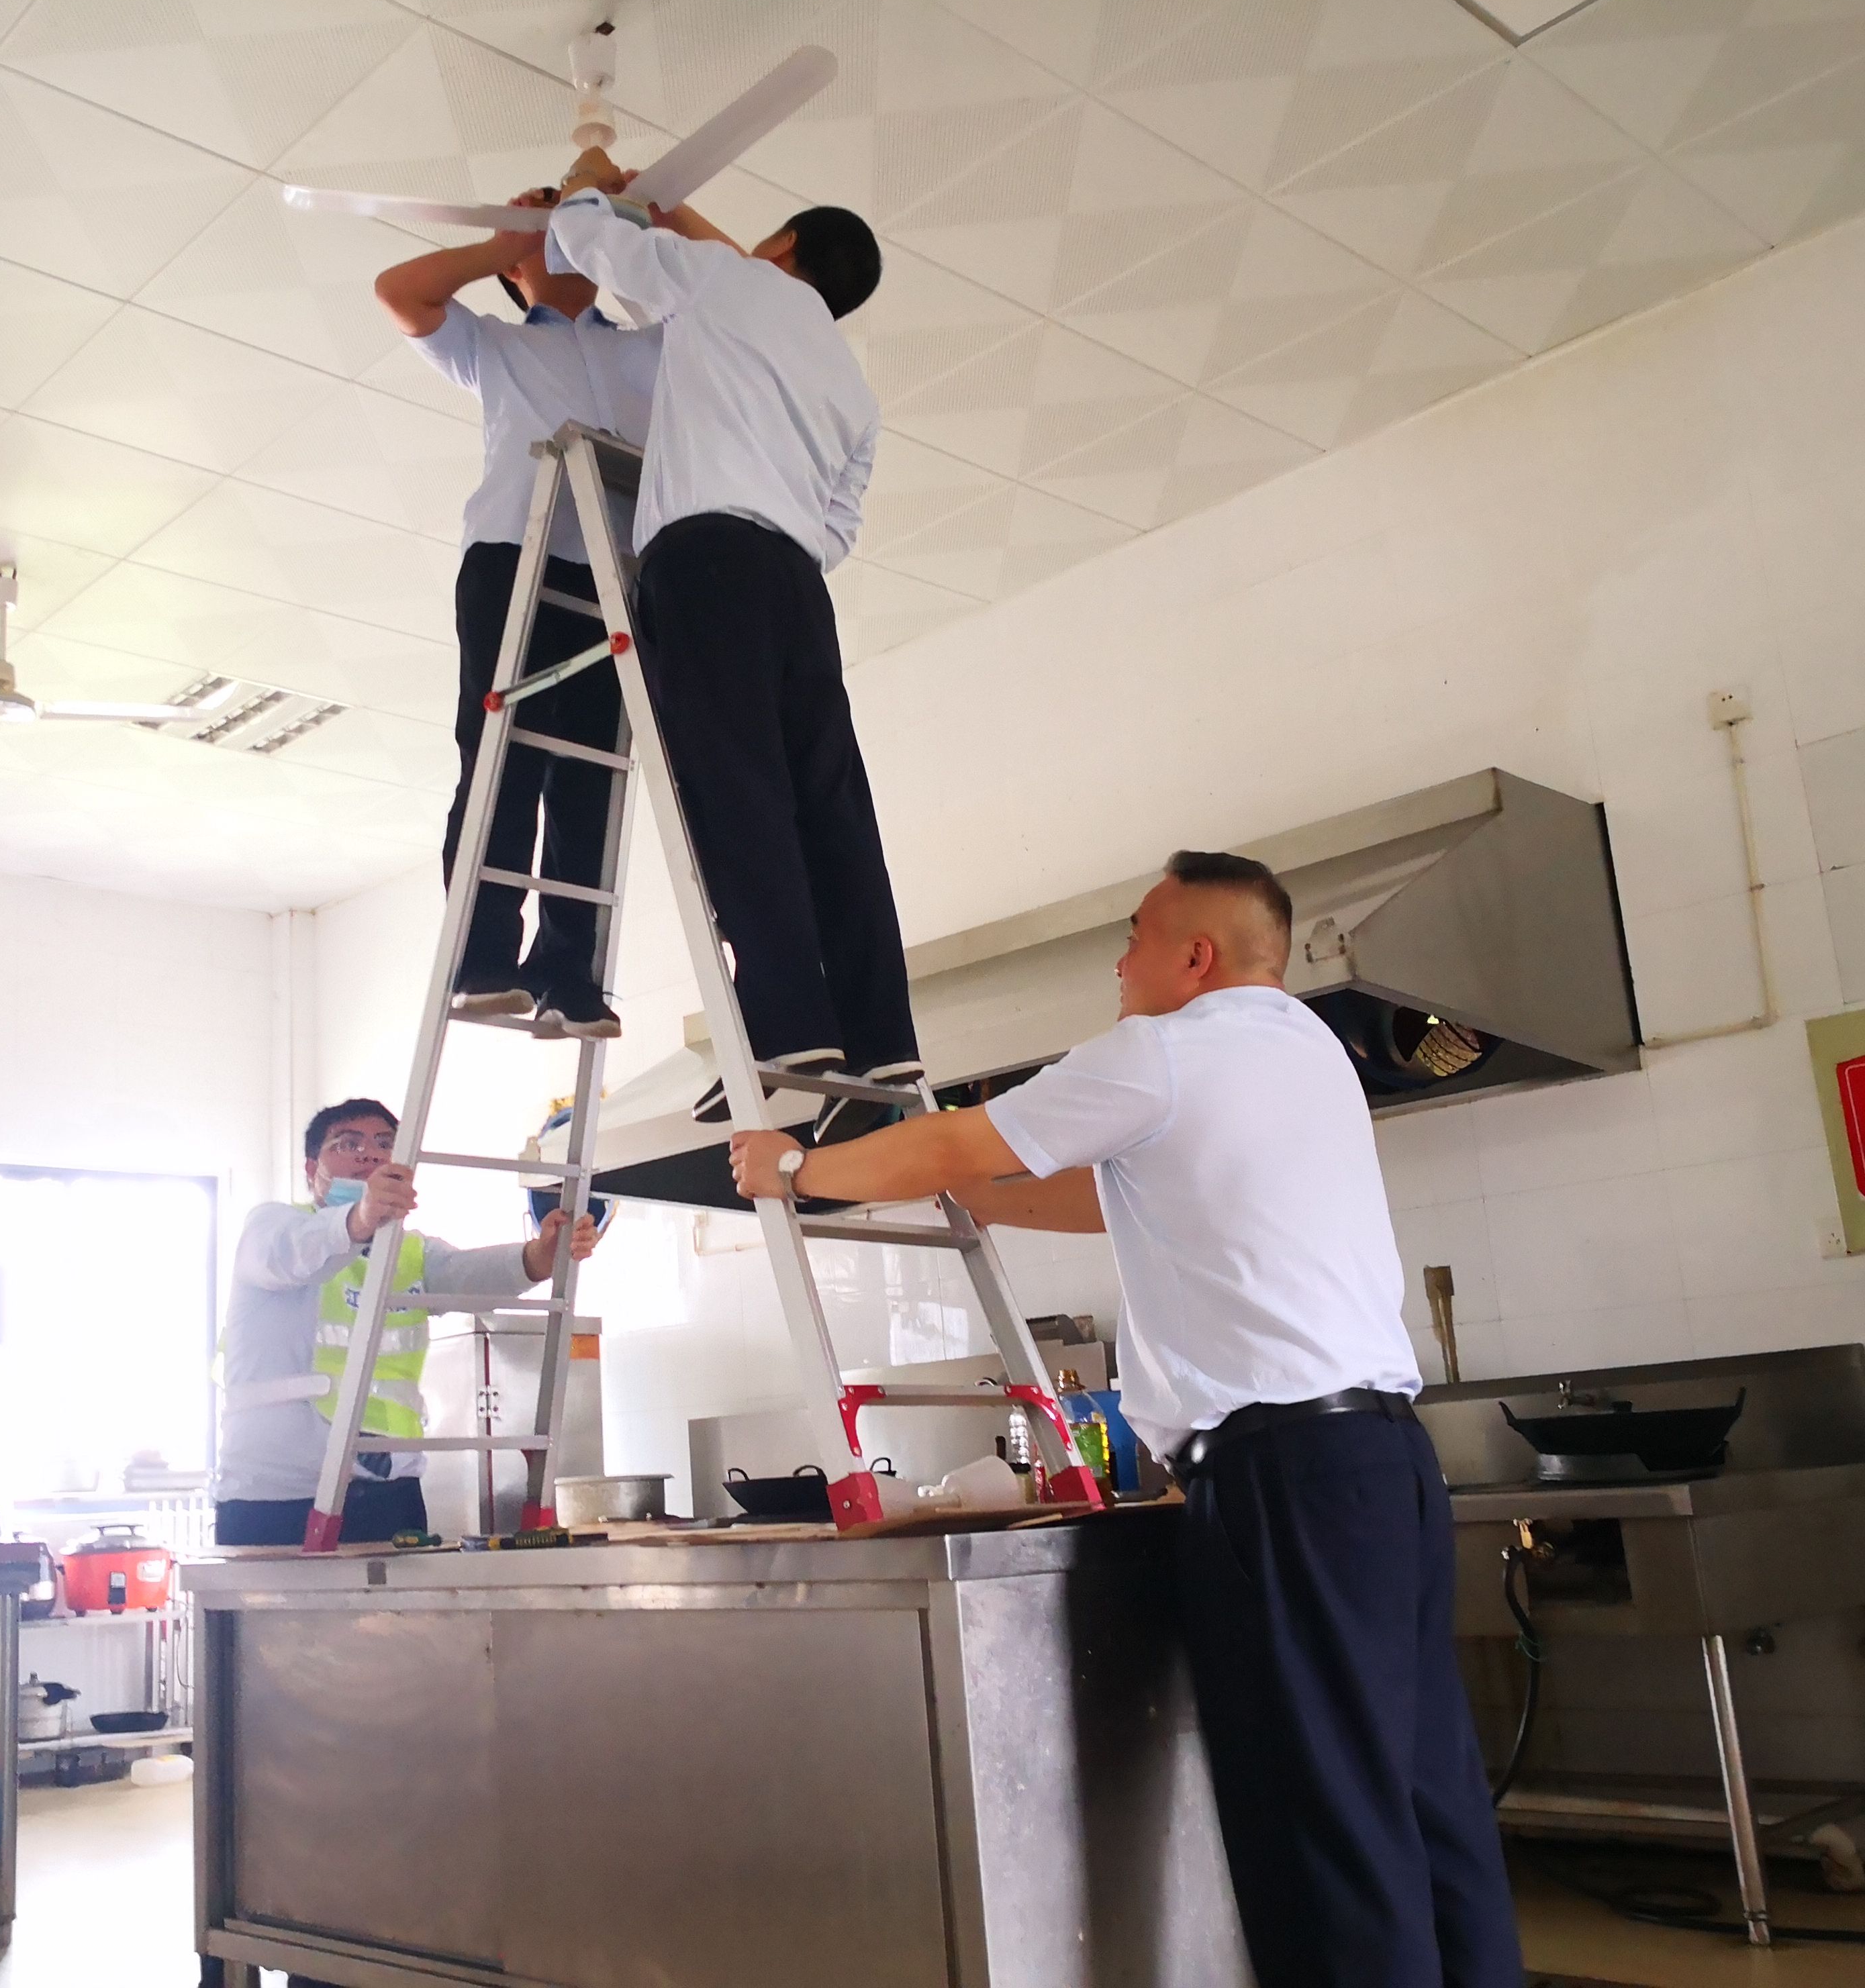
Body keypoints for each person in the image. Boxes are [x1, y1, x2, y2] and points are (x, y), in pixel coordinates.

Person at [727, 852, 1523, 1988]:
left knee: (1326, 1823)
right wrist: (966, 1192)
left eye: (1135, 936)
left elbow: (957, 1139)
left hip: (1284, 1477)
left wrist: (796, 1167)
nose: (1119, 962)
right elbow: (1108, 1194)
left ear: (1193, 955)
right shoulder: (1302, 1051)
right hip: (1382, 1463)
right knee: (1421, 1791)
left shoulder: (1165, 1051)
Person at [541, 150, 915, 1130]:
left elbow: (583, 240)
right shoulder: (852, 388)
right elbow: (837, 531)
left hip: (708, 564)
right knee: (830, 808)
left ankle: (789, 1024)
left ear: (780, 245)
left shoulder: (726, 282)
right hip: (797, 587)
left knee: (737, 793)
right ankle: (881, 1034)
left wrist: (587, 178)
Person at [376, 189, 661, 1040]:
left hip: (612, 572)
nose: (561, 241)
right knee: (502, 755)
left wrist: (632, 230)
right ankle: (484, 958)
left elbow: (721, 305)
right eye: (546, 235)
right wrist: (504, 240)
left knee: (592, 773)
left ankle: (569, 972)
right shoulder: (493, 345)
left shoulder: (648, 347)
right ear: (514, 267)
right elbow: (400, 291)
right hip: (512, 558)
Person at [215, 1097, 598, 1547]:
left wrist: (541, 1256)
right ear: (311, 1169)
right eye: (348, 1144)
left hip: (390, 1493)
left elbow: (468, 1274)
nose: (370, 1156)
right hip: (276, 1497)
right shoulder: (273, 1227)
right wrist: (360, 1218)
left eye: (385, 1145)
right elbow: (293, 1252)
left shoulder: (411, 1252)